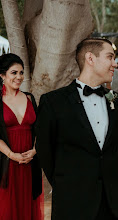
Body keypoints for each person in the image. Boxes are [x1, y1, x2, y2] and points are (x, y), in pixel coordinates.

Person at [36, 38, 118, 219]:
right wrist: (66, 183)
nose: (115, 63)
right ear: (91, 58)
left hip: (115, 202)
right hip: (74, 202)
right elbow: (45, 152)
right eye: (110, 57)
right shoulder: (53, 102)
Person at [0, 53, 43, 220]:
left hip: (29, 163)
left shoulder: (30, 98)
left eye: (21, 72)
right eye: (14, 73)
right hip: (6, 164)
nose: (19, 77)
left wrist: (34, 150)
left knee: (27, 207)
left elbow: (39, 130)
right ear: (2, 75)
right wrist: (11, 155)